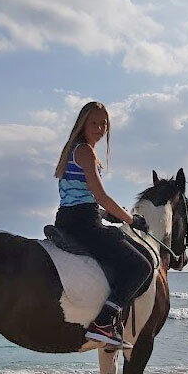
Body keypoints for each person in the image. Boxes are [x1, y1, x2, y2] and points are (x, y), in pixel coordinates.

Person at [53, 101, 152, 346]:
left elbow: (80, 196)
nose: (99, 127)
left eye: (103, 123)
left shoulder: (73, 150)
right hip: (83, 223)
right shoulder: (85, 151)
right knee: (142, 266)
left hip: (70, 216)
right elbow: (101, 196)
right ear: (82, 125)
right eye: (93, 123)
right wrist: (132, 220)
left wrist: (108, 215)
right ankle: (104, 322)